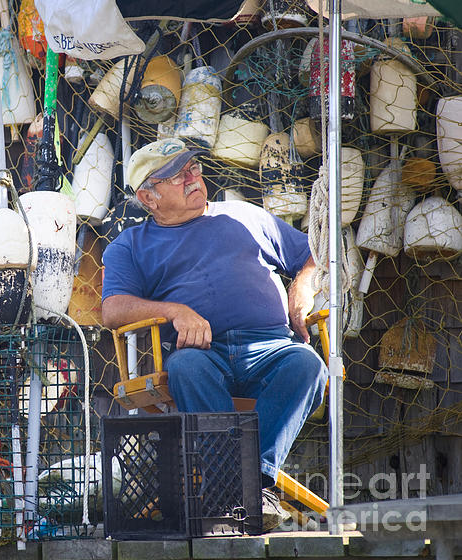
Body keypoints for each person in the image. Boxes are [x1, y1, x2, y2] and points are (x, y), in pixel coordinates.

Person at [101, 138, 328, 531]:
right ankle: (243, 490)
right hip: (205, 353)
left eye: (193, 168)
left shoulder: (244, 215)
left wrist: (303, 284)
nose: (193, 177)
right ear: (148, 197)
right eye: (177, 174)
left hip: (271, 346)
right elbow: (112, 309)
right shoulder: (132, 245)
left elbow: (309, 254)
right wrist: (174, 311)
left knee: (308, 365)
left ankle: (246, 485)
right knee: (186, 367)